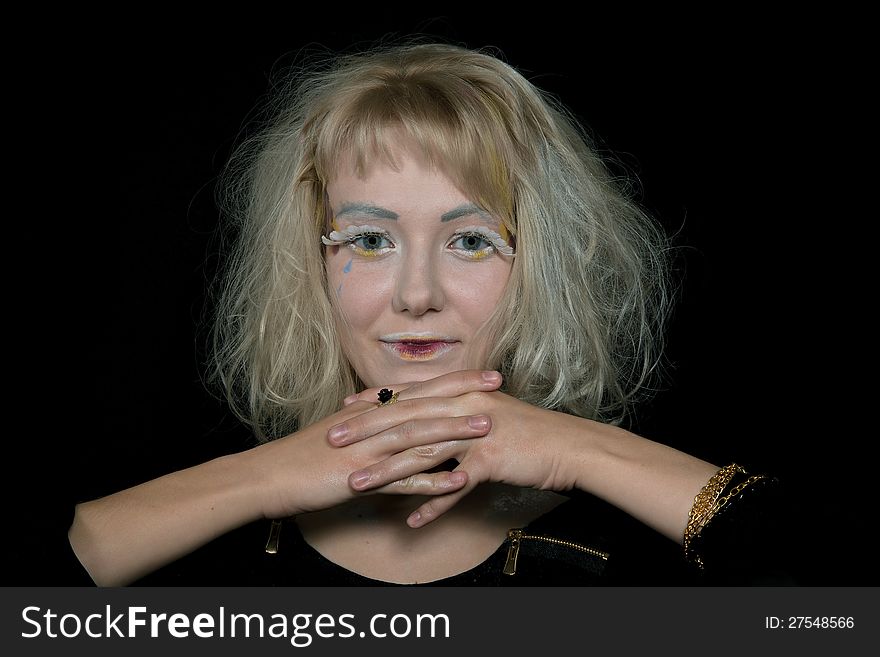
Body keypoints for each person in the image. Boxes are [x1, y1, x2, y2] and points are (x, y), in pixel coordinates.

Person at [67, 40, 794, 586]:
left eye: (471, 240)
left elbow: (841, 616)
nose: (417, 295)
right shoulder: (205, 562)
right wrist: (259, 478)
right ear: (310, 264)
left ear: (540, 267)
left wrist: (581, 450)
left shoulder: (623, 562)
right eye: (371, 239)